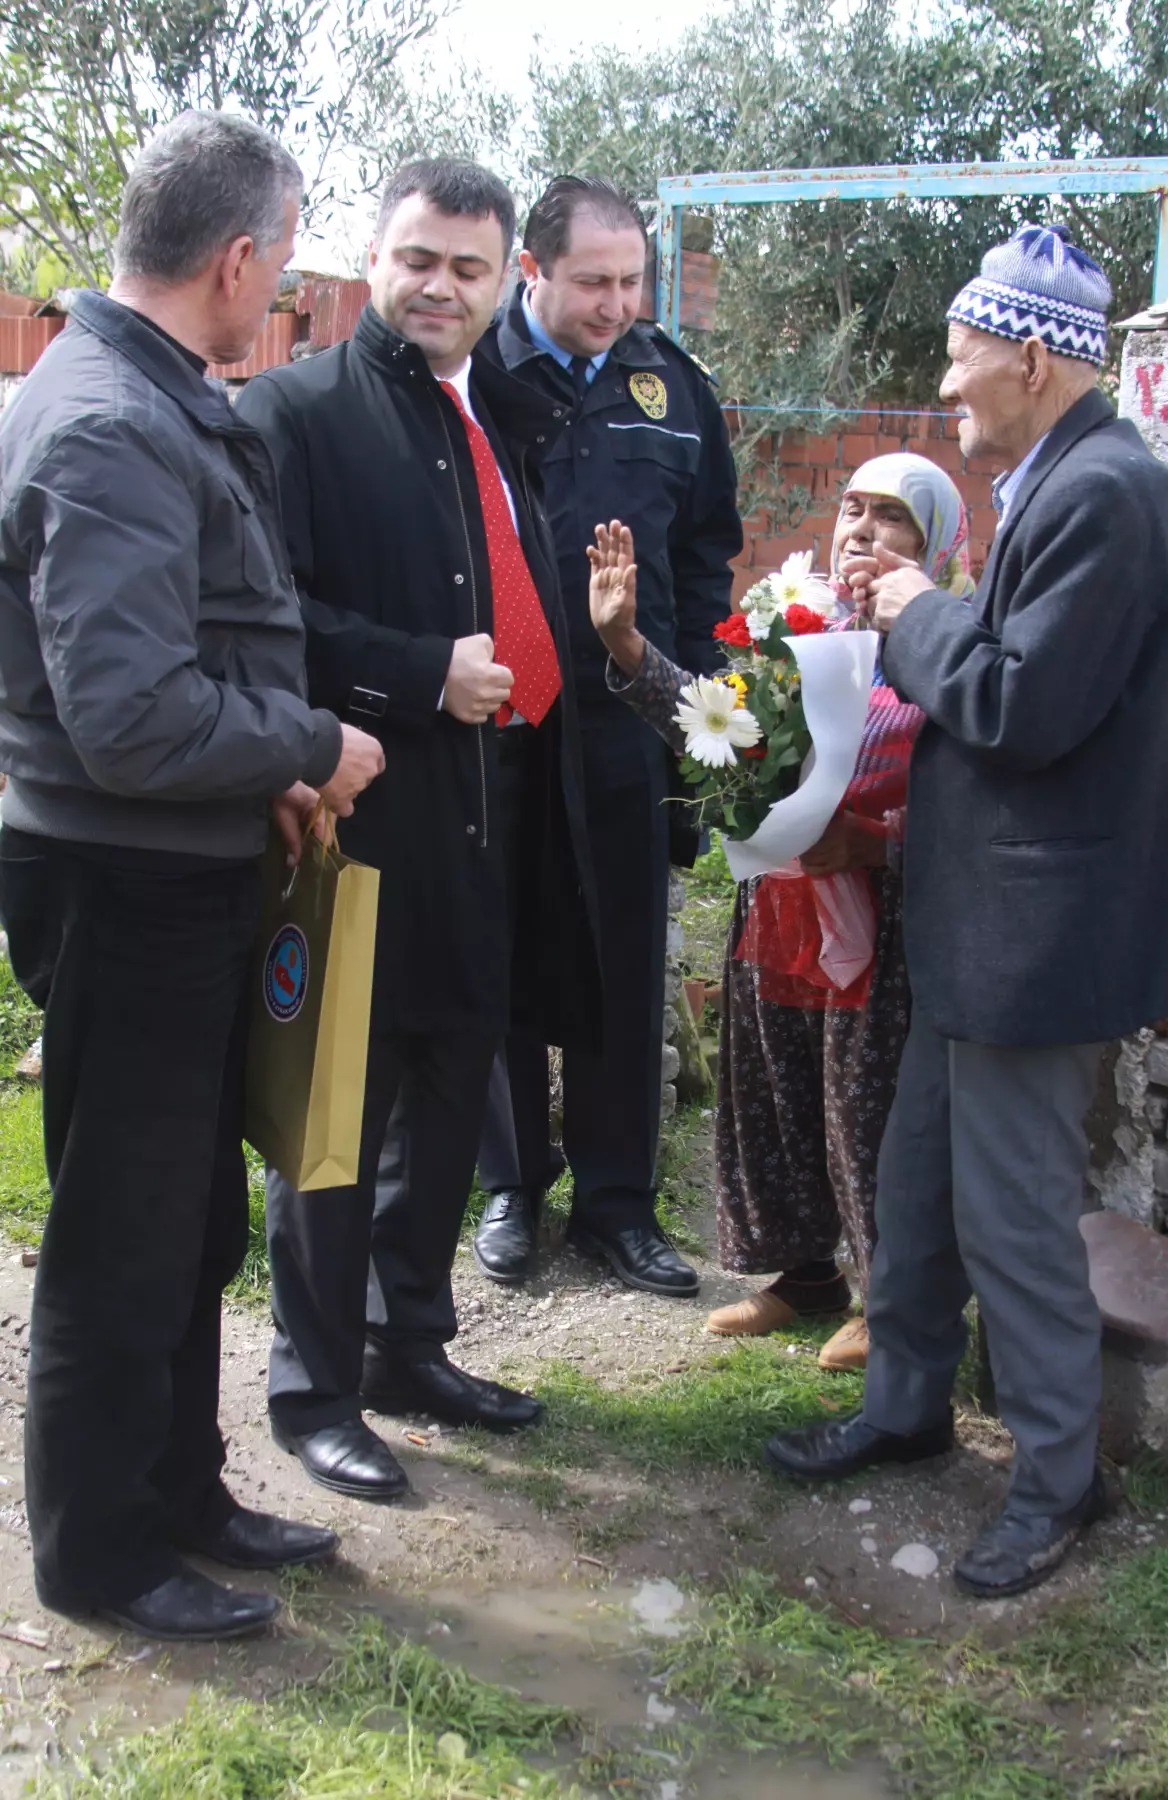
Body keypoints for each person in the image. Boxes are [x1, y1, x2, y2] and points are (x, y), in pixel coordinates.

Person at [765, 223, 1168, 1598]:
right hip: (988, 931)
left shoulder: (1106, 495)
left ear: (1031, 359)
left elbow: (1021, 704)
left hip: (1036, 942)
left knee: (1014, 1220)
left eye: (961, 363)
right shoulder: (1068, 481)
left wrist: (910, 610)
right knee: (918, 1187)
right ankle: (905, 1407)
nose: (947, 389)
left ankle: (1058, 1479)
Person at [0, 112, 385, 1641]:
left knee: (188, 1223)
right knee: (124, 1235)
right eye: (281, 262)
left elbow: (172, 673)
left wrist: (264, 771)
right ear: (235, 259)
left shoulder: (145, 395)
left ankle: (179, 1492)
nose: (280, 290)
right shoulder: (107, 423)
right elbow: (131, 716)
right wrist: (309, 743)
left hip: (179, 865)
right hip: (127, 885)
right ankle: (99, 1555)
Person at [237, 160, 599, 1499]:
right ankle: (314, 1389)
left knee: (449, 1101)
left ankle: (408, 1346)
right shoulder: (291, 412)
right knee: (336, 1119)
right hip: (352, 820)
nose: (441, 287)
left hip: (489, 824)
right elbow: (261, 615)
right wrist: (417, 673)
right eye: (419, 259)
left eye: (468, 268)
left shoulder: (493, 415)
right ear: (373, 258)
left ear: (505, 282)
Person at [586, 453, 973, 1375]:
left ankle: (888, 1296)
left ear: (936, 541)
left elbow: (980, 794)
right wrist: (627, 645)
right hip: (782, 900)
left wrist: (879, 844)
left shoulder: (955, 643)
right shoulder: (796, 633)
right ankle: (806, 1276)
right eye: (852, 509)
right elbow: (718, 732)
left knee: (866, 1106)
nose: (862, 531)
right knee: (775, 1091)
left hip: (884, 915)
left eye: (892, 516)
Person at [466, 175, 743, 1299]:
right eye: (593, 282)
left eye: (633, 281)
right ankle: (510, 1183)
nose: (617, 304)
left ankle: (617, 1202)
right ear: (532, 271)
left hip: (631, 717)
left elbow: (707, 555)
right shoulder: (474, 377)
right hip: (504, 716)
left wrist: (701, 701)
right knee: (501, 943)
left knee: (626, 954)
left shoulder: (671, 388)